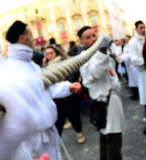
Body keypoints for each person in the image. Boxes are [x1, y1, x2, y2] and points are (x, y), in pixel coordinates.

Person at [0, 21, 81, 160]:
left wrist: (67, 87)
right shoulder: (8, 69)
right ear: (22, 38)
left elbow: (44, 89)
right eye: (31, 35)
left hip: (47, 134)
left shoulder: (30, 65)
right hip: (31, 138)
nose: (33, 38)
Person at [78, 26, 124, 160]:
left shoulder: (100, 54)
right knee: (113, 142)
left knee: (107, 139)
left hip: (112, 100)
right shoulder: (84, 57)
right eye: (88, 37)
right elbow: (97, 72)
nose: (93, 39)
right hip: (104, 103)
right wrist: (102, 50)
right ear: (82, 42)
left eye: (94, 35)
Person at [43, 45, 85, 144]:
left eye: (51, 53)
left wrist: (64, 81)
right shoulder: (46, 67)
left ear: (56, 53)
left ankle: (80, 133)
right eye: (47, 54)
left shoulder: (65, 62)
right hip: (57, 100)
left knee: (74, 118)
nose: (49, 55)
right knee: (58, 121)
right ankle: (56, 142)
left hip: (70, 97)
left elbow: (74, 76)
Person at [128, 20, 146, 134]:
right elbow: (134, 59)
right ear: (136, 29)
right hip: (143, 73)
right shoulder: (132, 42)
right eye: (141, 28)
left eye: (144, 27)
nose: (143, 30)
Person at [118, 35, 139, 100]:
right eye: (126, 39)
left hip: (133, 66)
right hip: (129, 66)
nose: (127, 40)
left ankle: (137, 95)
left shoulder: (133, 45)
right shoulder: (127, 46)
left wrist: (121, 57)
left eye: (128, 39)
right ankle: (134, 93)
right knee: (132, 82)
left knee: (136, 82)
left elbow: (130, 55)